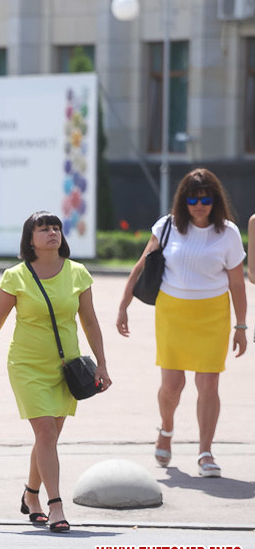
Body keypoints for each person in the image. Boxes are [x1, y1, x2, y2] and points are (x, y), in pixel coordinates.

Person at [0, 211, 111, 533]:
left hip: (67, 367)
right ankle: (55, 505)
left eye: (56, 228)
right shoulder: (15, 276)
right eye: (43, 229)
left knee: (49, 436)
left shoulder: (78, 273)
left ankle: (31, 494)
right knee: (45, 431)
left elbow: (90, 322)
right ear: (30, 239)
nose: (52, 233)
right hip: (27, 366)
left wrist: (102, 363)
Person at [117, 168, 246, 478]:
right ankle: (166, 429)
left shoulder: (228, 233)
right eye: (192, 199)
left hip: (212, 314)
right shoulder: (167, 226)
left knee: (208, 384)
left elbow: (237, 284)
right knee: (172, 385)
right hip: (173, 312)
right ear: (183, 200)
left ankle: (205, 451)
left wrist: (241, 326)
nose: (199, 205)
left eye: (206, 199)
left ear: (215, 201)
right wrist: (123, 306)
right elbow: (141, 266)